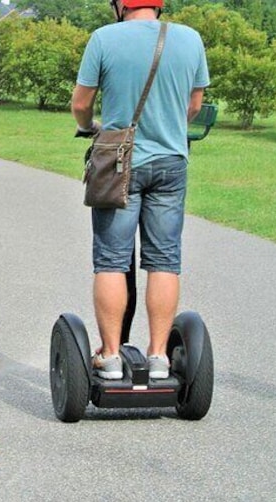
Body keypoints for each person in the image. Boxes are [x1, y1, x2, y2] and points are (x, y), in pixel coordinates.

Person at [71, 0, 209, 380]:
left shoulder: (103, 39)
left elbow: (81, 104)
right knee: (164, 259)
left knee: (112, 260)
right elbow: (193, 105)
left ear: (119, 5)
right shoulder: (189, 39)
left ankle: (112, 357)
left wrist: (89, 126)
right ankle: (159, 356)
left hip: (119, 163)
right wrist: (167, 128)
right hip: (171, 162)